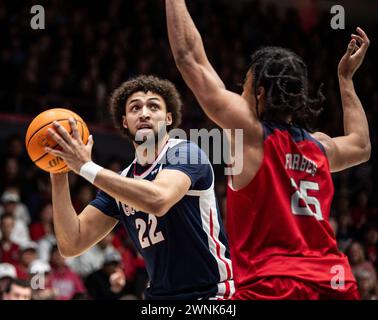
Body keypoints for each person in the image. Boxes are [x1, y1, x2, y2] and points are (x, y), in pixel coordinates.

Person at [165, 0, 370, 299]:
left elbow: (188, 58)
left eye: (245, 87)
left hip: (272, 285)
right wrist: (346, 79)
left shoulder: (249, 133)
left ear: (259, 92)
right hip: (335, 284)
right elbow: (362, 145)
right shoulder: (320, 147)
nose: (239, 92)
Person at [46, 75, 234, 300]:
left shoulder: (186, 153)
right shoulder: (120, 182)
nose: (144, 113)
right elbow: (71, 244)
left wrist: (86, 167)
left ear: (168, 119)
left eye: (153, 106)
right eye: (135, 108)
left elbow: (158, 200)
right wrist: (58, 171)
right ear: (125, 121)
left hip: (211, 294)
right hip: (159, 298)